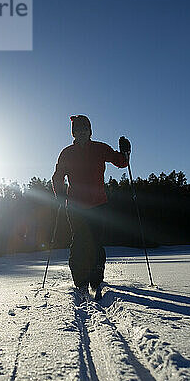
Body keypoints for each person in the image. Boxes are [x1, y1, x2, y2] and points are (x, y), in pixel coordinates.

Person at [51, 114, 131, 298]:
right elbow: (57, 176)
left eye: (84, 129)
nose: (81, 133)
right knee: (79, 243)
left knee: (96, 243)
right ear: (73, 133)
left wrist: (125, 152)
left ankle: (96, 281)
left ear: (90, 131)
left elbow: (121, 163)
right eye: (78, 130)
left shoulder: (99, 148)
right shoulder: (67, 153)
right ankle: (80, 283)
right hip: (76, 206)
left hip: (98, 204)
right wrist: (60, 191)